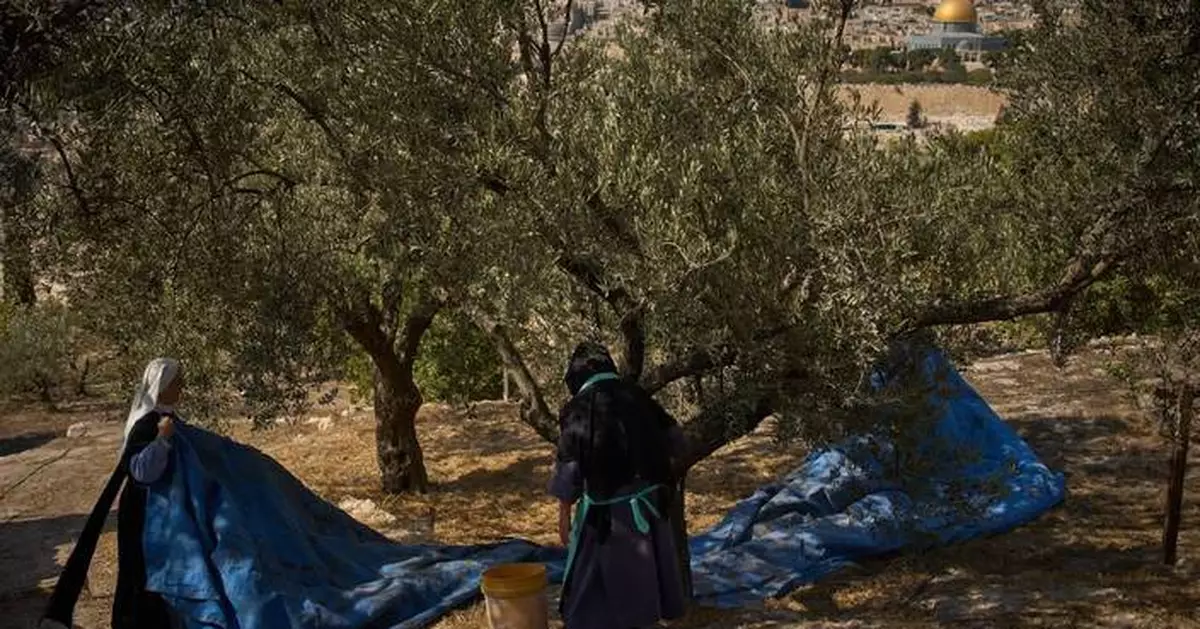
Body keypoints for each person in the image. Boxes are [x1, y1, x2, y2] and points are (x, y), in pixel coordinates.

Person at [549, 342, 687, 629]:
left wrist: (563, 515)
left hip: (608, 520)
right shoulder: (638, 395)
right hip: (651, 510)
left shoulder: (577, 409)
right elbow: (676, 441)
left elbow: (570, 468)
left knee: (594, 591)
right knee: (644, 584)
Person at [42, 358, 185, 629]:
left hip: (162, 509)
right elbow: (141, 471)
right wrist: (162, 441)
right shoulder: (147, 424)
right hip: (142, 510)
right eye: (177, 381)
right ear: (163, 385)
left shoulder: (169, 419)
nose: (182, 386)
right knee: (139, 572)